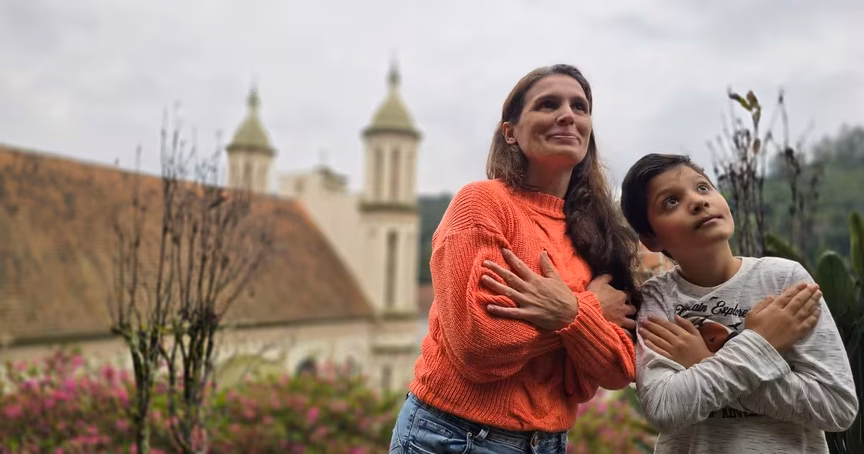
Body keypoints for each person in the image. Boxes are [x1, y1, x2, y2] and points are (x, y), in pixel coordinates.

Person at [388, 64, 641, 454]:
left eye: (579, 107)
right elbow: (478, 346)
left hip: (549, 442)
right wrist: (584, 310)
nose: (568, 115)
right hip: (454, 436)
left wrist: (567, 314)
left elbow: (620, 367)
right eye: (548, 104)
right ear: (510, 132)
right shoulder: (482, 204)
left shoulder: (595, 232)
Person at [619, 153, 859, 453]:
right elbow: (664, 408)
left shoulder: (784, 280)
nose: (698, 201)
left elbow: (837, 406)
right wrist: (759, 343)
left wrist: (704, 361)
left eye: (703, 187)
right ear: (651, 239)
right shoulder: (657, 299)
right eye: (671, 201)